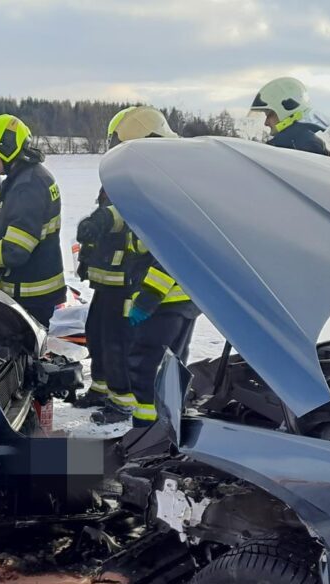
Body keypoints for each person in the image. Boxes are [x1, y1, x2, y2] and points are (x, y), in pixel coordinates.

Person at [108, 107, 197, 429]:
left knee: (147, 369)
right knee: (172, 370)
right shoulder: (171, 179)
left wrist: (147, 297)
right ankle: (168, 430)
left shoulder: (164, 187)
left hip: (164, 300)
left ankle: (148, 437)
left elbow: (171, 249)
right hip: (180, 299)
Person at [0, 114, 65, 326]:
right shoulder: (29, 176)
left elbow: (15, 250)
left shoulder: (27, 186)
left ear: (6, 149)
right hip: (38, 289)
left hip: (31, 294)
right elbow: (17, 210)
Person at [73, 106, 142, 412]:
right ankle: (100, 390)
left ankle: (122, 402)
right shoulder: (123, 173)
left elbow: (126, 213)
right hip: (107, 281)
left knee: (117, 343)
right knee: (97, 335)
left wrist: (100, 220)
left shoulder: (141, 176)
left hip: (125, 282)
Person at [250, 77, 330, 157]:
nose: (266, 123)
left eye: (269, 115)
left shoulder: (298, 146)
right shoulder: (302, 142)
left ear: (284, 112)